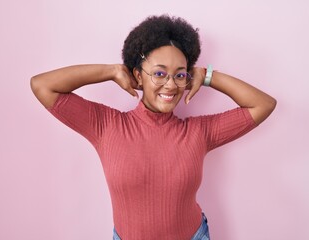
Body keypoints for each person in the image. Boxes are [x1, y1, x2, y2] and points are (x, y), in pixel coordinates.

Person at [30, 15, 276, 240]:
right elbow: (42, 85)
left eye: (180, 75)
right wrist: (111, 71)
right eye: (159, 74)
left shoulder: (199, 132)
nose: (170, 85)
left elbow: (263, 104)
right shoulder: (105, 125)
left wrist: (208, 75)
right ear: (138, 76)